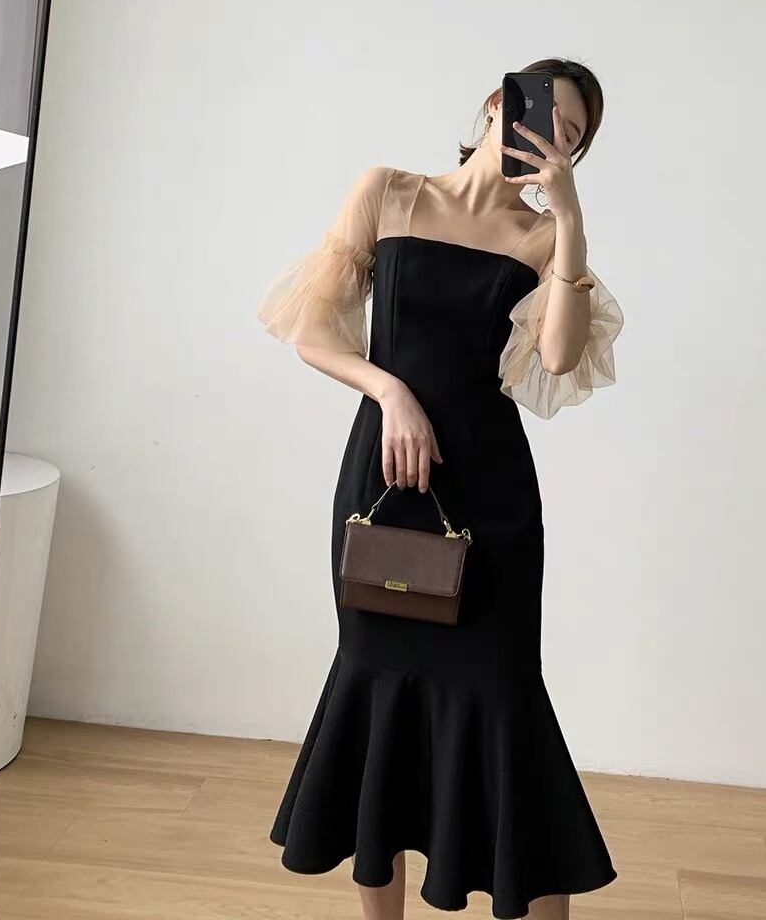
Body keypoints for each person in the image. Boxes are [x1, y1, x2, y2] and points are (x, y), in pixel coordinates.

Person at [256, 57, 624, 920]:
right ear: (499, 104)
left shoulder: (543, 239)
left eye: (572, 141)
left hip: (491, 503)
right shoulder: (388, 192)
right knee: (375, 688)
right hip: (386, 479)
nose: (553, 143)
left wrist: (570, 220)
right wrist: (390, 392)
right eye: (548, 119)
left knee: (505, 704)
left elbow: (559, 357)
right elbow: (314, 332)